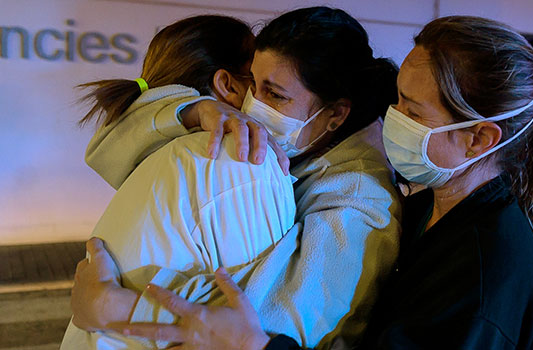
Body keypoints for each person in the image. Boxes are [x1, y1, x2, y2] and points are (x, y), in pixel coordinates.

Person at [107, 16, 533, 349]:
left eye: (411, 111)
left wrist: (115, 312)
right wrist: (193, 109)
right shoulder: (430, 211)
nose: (390, 119)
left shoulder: (486, 274)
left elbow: (291, 327)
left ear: (479, 138)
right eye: (397, 99)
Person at [69, 7, 402, 349]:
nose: (252, 103)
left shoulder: (361, 200)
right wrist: (194, 109)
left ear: (335, 114)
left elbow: (276, 329)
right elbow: (110, 148)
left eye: (274, 95)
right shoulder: (293, 147)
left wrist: (122, 306)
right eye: (253, 85)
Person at [60, 15, 297, 350]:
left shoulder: (157, 144)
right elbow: (257, 318)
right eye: (259, 83)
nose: (262, 98)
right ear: (228, 85)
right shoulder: (237, 153)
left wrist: (114, 307)